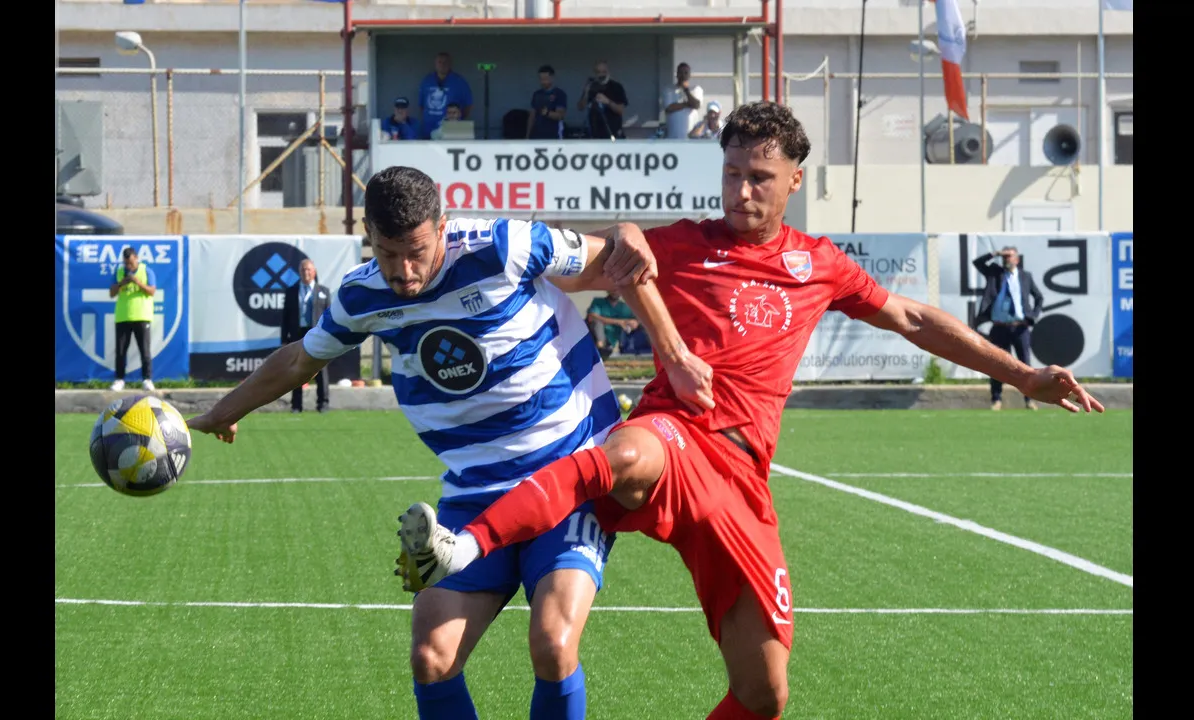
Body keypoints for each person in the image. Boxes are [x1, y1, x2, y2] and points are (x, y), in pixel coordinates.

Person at [394, 102, 1106, 720]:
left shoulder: (819, 264)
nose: (740, 191)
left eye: (759, 177)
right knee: (628, 452)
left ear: (795, 179)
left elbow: (913, 319)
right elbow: (591, 257)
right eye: (731, 173)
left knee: (764, 693)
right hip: (674, 431)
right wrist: (625, 233)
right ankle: (466, 545)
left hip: (740, 479)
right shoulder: (686, 243)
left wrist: (1022, 374)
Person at [185, 165, 710, 720]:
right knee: (431, 658)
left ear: (442, 226)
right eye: (387, 253)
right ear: (369, 236)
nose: (402, 271)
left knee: (553, 644)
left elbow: (620, 264)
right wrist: (224, 411)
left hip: (568, 476)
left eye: (415, 252)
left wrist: (674, 353)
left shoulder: (502, 247)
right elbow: (299, 359)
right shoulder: (363, 295)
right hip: (475, 490)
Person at [972, 246, 1045, 410]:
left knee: (1025, 365)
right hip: (999, 327)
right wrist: (995, 254)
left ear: (1017, 260)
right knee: (997, 364)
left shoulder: (1025, 276)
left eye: (1010, 256)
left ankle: (1029, 399)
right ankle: (996, 399)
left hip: (1020, 328)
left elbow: (1039, 297)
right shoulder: (995, 274)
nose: (1007, 259)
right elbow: (977, 263)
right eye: (1004, 257)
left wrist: (1033, 315)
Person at [280, 258, 331, 413]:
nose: (305, 272)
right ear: (299, 272)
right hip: (297, 334)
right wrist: (284, 339)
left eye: (308, 269)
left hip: (317, 334)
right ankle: (296, 405)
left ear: (314, 272)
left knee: (320, 369)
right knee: (297, 369)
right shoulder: (291, 291)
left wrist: (329, 336)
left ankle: (323, 404)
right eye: (303, 270)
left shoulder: (323, 291)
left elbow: (329, 316)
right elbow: (285, 317)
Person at [109, 246, 156, 392]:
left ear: (136, 258)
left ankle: (147, 379)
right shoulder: (119, 272)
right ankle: (119, 379)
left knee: (145, 350)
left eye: (130, 263)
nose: (128, 266)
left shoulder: (146, 271)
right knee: (121, 351)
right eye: (126, 263)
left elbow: (152, 291)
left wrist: (137, 282)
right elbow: (111, 293)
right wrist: (122, 283)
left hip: (142, 316)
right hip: (123, 316)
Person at [419, 52, 473, 139]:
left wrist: (456, 120)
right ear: (435, 64)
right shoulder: (427, 80)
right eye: (439, 62)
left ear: (450, 64)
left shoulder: (459, 81)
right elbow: (421, 106)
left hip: (451, 130)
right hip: (428, 129)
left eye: (445, 62)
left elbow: (468, 106)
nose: (442, 65)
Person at [576, 60, 628, 140]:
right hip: (595, 134)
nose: (601, 75)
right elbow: (580, 107)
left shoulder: (616, 87)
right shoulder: (591, 86)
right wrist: (586, 93)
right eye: (598, 72)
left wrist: (607, 101)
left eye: (603, 72)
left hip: (613, 133)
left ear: (608, 72)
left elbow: (620, 110)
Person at [586, 290, 638, 359]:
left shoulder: (625, 307)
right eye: (612, 289)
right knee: (597, 323)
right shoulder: (598, 302)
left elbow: (635, 322)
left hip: (616, 341)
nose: (615, 292)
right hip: (597, 339)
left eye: (617, 290)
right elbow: (591, 317)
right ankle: (600, 347)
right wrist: (619, 322)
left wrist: (632, 323)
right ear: (607, 290)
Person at [663, 62, 703, 140]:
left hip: (691, 139)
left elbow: (696, 105)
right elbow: (669, 108)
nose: (683, 75)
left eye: (686, 73)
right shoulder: (669, 89)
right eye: (680, 72)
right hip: (673, 138)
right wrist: (688, 104)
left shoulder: (696, 89)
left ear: (689, 75)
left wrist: (686, 90)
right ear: (677, 74)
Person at [527, 64, 568, 140]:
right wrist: (527, 136)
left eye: (545, 79)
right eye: (541, 79)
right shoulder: (537, 94)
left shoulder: (559, 94)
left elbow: (560, 116)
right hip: (536, 135)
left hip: (553, 135)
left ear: (552, 78)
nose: (543, 81)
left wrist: (547, 113)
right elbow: (532, 116)